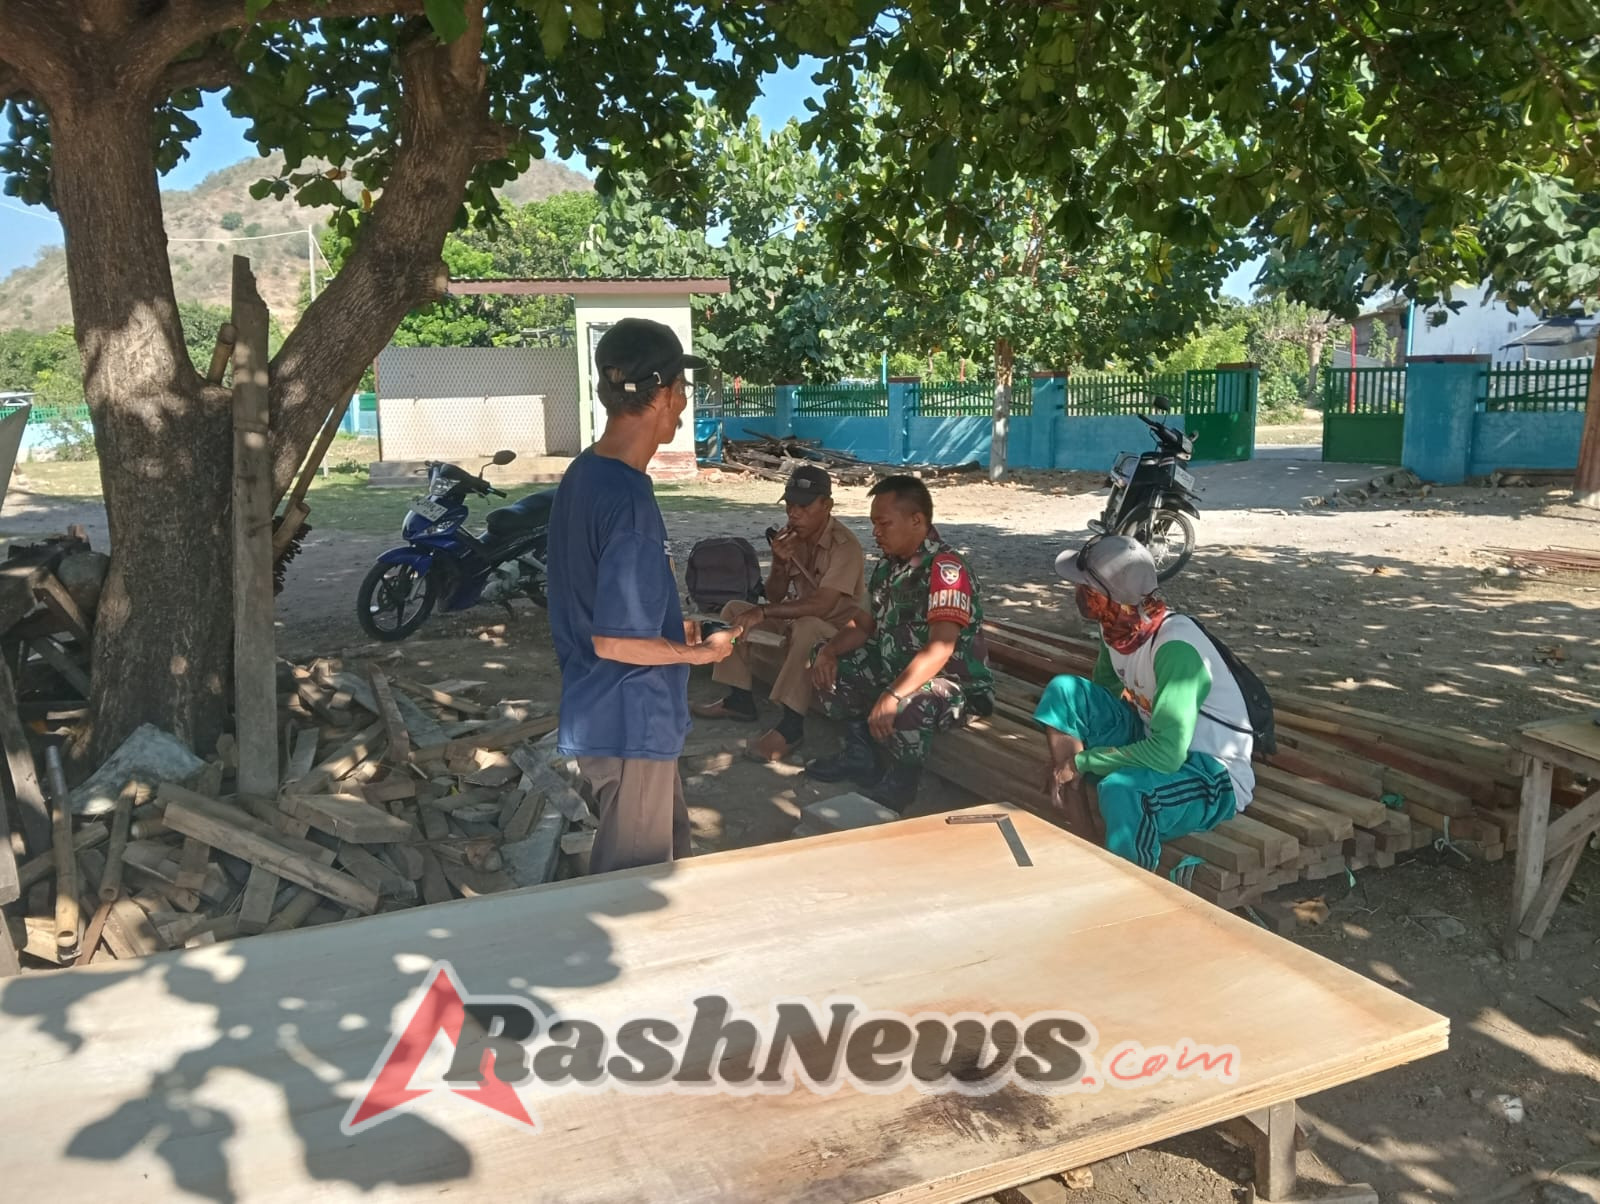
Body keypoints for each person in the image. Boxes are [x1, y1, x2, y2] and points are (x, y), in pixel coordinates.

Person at [546, 317, 736, 875]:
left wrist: (671, 629)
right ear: (667, 393)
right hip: (631, 718)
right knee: (633, 888)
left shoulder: (586, 475)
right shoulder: (627, 500)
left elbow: (595, 601)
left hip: (611, 713)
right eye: (682, 391)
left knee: (665, 864)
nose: (682, 405)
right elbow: (613, 640)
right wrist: (698, 654)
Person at [1033, 534, 1256, 870]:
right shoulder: (1119, 631)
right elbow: (1103, 698)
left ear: (1106, 597)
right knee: (1064, 691)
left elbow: (1167, 756)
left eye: (1086, 588)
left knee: (1124, 792)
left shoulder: (1175, 649)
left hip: (1209, 772)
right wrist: (1072, 750)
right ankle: (1084, 838)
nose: (1077, 592)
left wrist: (1082, 762)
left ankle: (1128, 888)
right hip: (1153, 737)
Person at [803, 474, 994, 812]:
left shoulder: (946, 569)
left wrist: (893, 695)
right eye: (874, 523)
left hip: (953, 683)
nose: (876, 532)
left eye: (884, 523)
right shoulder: (889, 567)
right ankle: (860, 753)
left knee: (911, 702)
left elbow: (941, 648)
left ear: (916, 521)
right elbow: (862, 626)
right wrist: (829, 651)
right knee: (824, 658)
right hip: (898, 668)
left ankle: (901, 783)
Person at [690, 464, 867, 762]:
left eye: (804, 506)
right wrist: (781, 564)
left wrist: (764, 611)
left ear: (827, 505)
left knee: (808, 625)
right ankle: (740, 700)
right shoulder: (792, 538)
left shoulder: (845, 546)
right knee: (734, 609)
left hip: (836, 635)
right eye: (789, 505)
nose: (793, 513)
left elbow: (823, 605)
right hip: (797, 625)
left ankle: (791, 726)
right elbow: (773, 594)